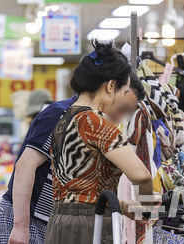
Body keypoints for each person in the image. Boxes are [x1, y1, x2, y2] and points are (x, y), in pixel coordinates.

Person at [0, 72, 145, 244]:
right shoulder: (61, 115)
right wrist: (21, 227)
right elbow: (25, 166)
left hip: (56, 223)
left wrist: (125, 207)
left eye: (127, 111)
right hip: (28, 218)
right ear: (109, 89)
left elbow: (82, 185)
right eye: (121, 106)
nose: (120, 116)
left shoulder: (97, 127)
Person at [46, 41, 155, 244]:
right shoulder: (95, 122)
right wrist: (147, 208)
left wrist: (123, 207)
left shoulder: (64, 119)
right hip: (90, 225)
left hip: (58, 222)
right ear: (111, 86)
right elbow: (141, 176)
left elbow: (80, 189)